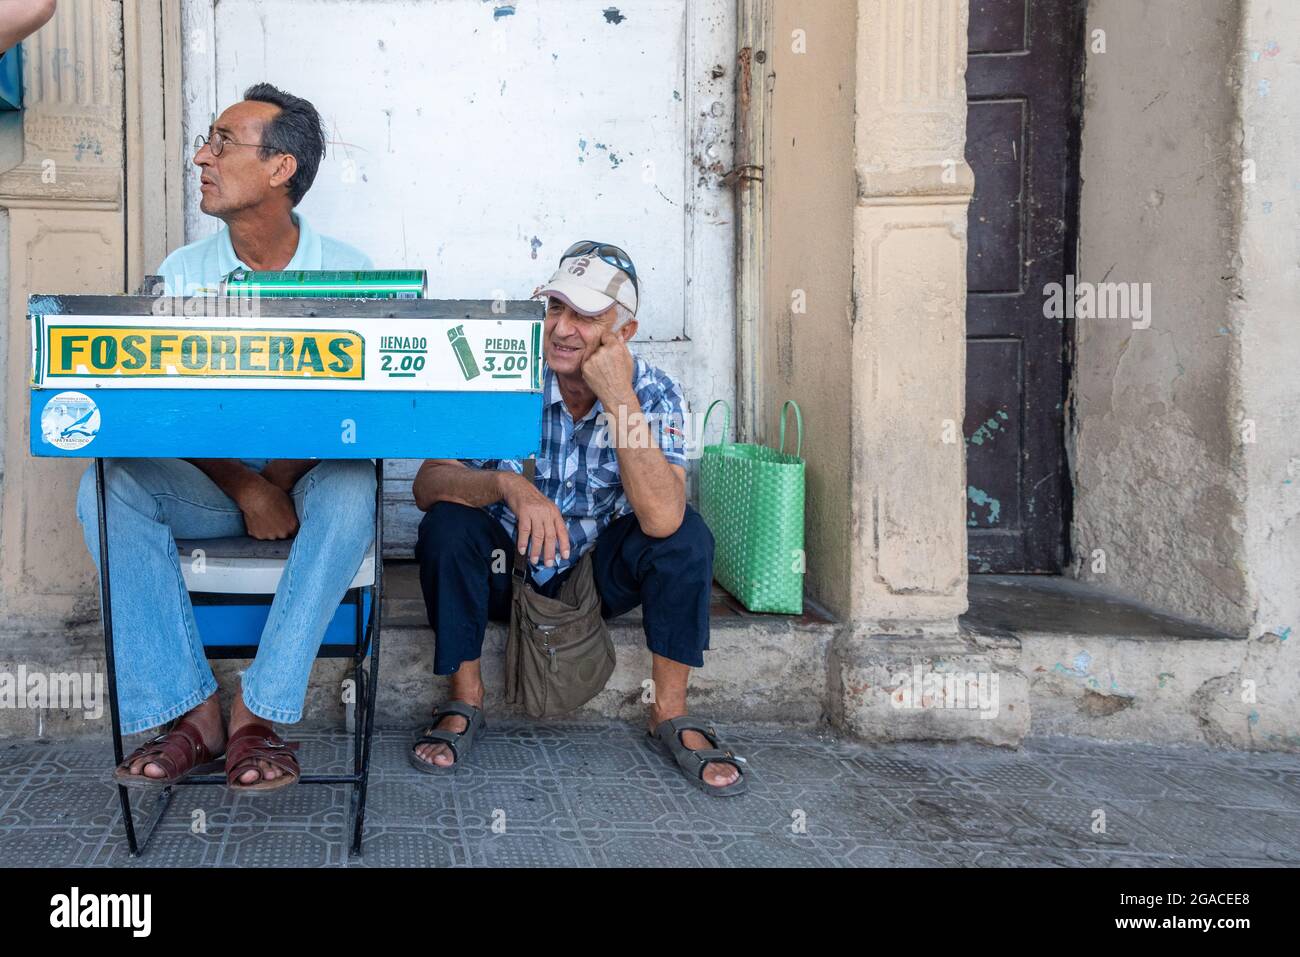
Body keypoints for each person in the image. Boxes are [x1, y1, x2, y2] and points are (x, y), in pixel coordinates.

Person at [77, 84, 376, 793]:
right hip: (215, 486)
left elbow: (366, 411)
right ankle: (193, 711)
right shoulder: (183, 274)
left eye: (220, 143)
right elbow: (164, 411)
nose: (199, 157)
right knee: (106, 481)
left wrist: (275, 481)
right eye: (205, 141)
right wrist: (244, 486)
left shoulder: (354, 273)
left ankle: (257, 712)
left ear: (281, 169)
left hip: (306, 479)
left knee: (354, 483)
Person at [410, 241, 747, 796]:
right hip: (507, 568)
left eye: (586, 317)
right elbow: (427, 485)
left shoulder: (654, 392)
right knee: (447, 524)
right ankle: (465, 700)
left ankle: (670, 712)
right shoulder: (506, 376)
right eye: (555, 309)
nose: (562, 329)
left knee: (686, 537)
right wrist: (507, 484)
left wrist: (619, 400)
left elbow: (662, 518)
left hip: (593, 579)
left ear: (625, 333)